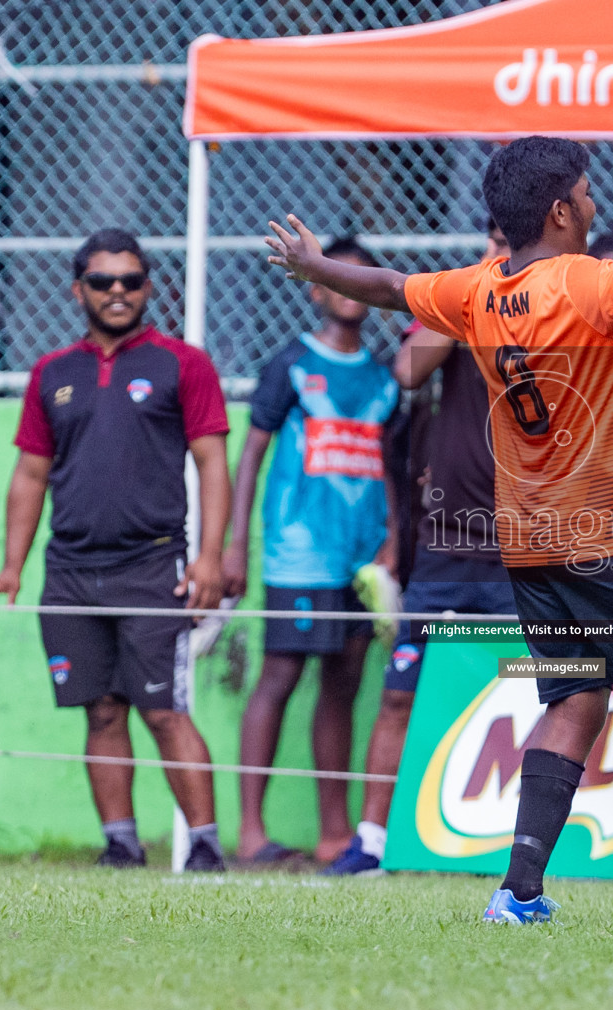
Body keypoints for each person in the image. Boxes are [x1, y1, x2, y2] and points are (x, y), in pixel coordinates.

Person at [265, 135, 613, 926]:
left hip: (532, 546)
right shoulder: (588, 283)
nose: (594, 202)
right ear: (559, 209)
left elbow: (389, 287)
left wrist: (317, 268)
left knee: (576, 697)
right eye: (586, 190)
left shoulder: (477, 290)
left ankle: (518, 893)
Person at [0, 229, 230, 872]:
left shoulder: (183, 364)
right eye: (103, 281)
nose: (118, 292)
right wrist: (11, 565)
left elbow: (213, 463)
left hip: (154, 565)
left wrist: (210, 557)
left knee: (165, 711)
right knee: (101, 710)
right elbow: (31, 475)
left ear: (149, 287)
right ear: (77, 289)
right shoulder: (51, 373)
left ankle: (204, 850)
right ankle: (120, 847)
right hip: (70, 571)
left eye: (131, 281)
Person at [324, 235, 518, 878]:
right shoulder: (464, 299)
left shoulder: (562, 302)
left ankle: (523, 848)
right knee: (399, 695)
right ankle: (372, 845)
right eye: (496, 239)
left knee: (535, 697)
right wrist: (482, 287)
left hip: (533, 547)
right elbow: (408, 372)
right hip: (448, 547)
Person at [223, 237, 400, 867]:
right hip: (299, 554)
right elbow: (252, 454)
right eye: (337, 276)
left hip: (360, 561)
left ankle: (333, 833)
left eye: (362, 278)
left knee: (343, 685)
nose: (349, 288)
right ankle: (248, 832)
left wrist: (392, 543)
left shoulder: (384, 377)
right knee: (280, 676)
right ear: (317, 289)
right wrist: (235, 546)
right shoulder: (291, 364)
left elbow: (391, 469)